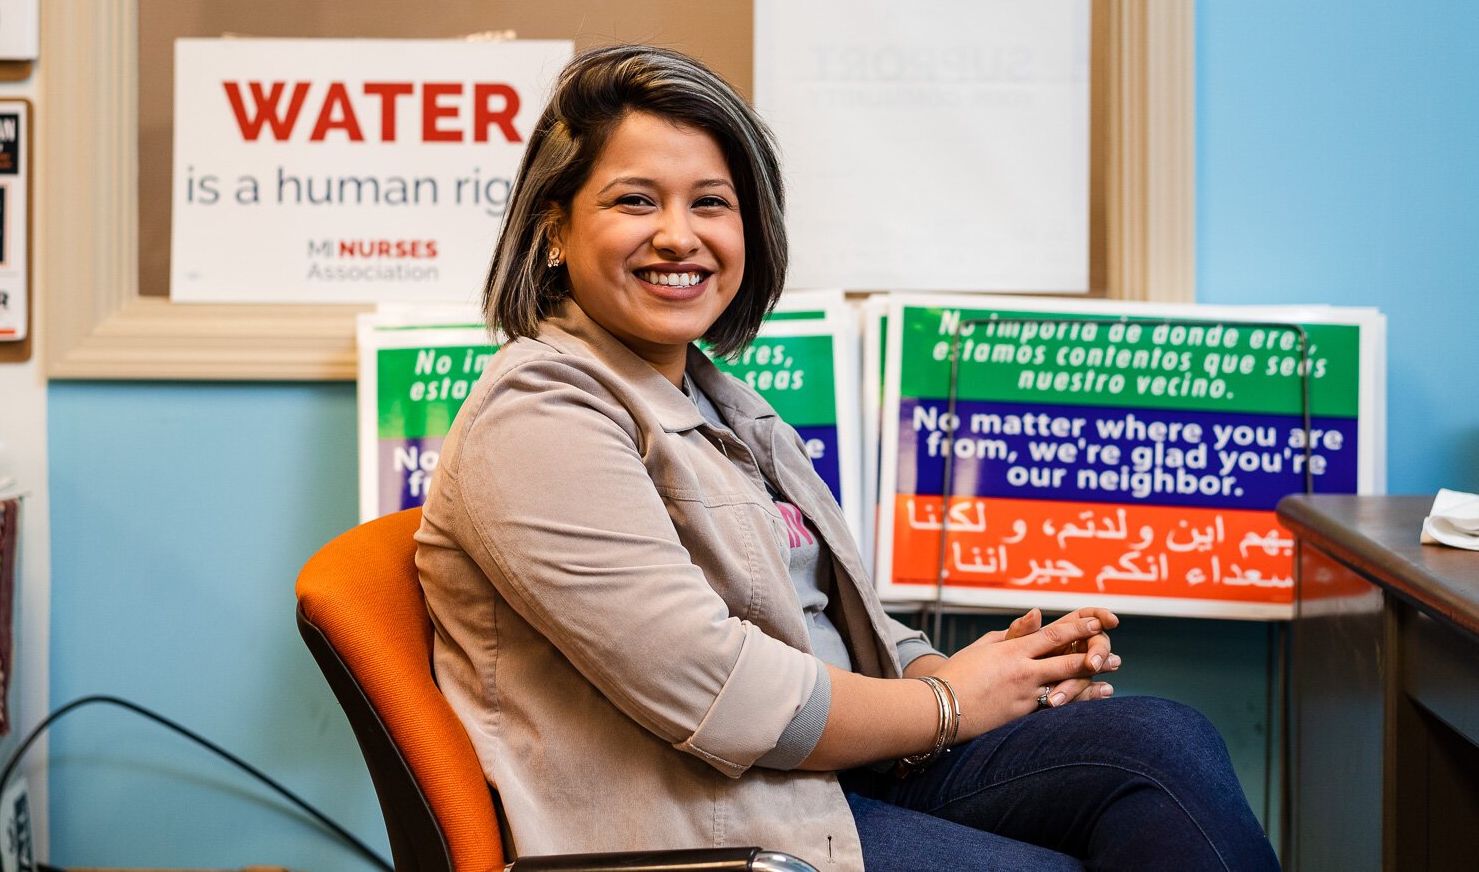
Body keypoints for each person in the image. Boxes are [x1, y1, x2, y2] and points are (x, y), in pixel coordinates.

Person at [415, 44, 1280, 871]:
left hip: (829, 779)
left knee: (1166, 743)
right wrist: (951, 704)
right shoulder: (536, 415)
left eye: (711, 203)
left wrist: (976, 672)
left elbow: (840, 621)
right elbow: (722, 689)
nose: (679, 236)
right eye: (636, 201)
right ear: (554, 231)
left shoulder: (719, 401)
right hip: (716, 826)